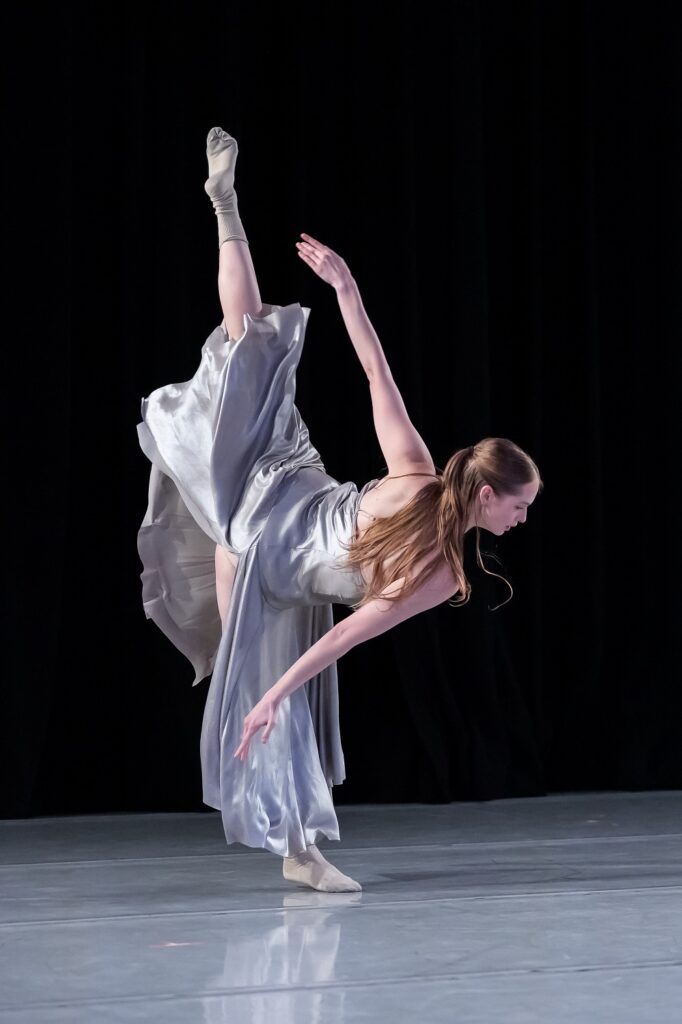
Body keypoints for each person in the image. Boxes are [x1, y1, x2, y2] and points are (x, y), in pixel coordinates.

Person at [136, 127, 542, 893]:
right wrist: (272, 696)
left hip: (272, 491)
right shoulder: (435, 570)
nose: (522, 519)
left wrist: (346, 290)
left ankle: (227, 211)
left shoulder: (418, 471)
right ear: (486, 496)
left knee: (250, 343)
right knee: (272, 706)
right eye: (519, 506)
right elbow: (345, 638)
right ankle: (299, 850)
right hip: (262, 542)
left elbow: (374, 371)